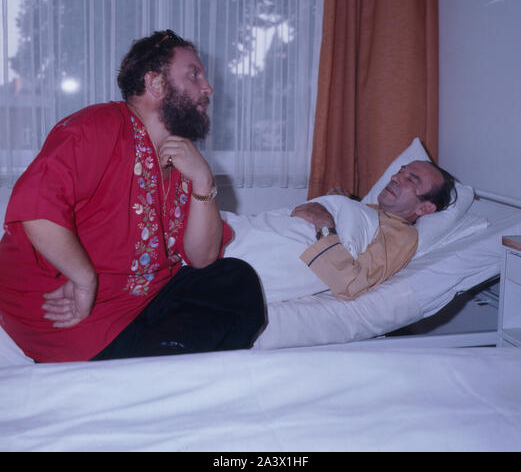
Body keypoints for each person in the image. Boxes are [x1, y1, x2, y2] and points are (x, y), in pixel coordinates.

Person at [0, 29, 266, 363]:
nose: (207, 88)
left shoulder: (183, 158)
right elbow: (35, 210)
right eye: (194, 74)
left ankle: (161, 372)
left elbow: (203, 258)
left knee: (235, 280)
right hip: (73, 314)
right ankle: (161, 375)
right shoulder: (97, 126)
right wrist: (84, 280)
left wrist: (202, 179)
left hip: (141, 304)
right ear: (155, 83)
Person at [291, 160, 456, 300]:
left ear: (424, 208)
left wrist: (324, 223)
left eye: (411, 180)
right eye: (400, 171)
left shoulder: (402, 234)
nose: (395, 177)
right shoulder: (371, 210)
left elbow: (351, 284)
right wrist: (340, 204)